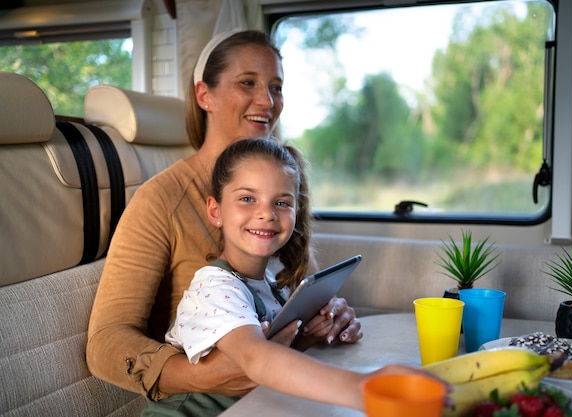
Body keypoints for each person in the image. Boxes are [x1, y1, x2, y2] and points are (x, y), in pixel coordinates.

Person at [86, 29, 362, 401]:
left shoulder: (279, 189)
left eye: (276, 87)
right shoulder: (159, 201)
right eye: (247, 83)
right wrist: (204, 376)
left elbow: (301, 291)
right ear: (205, 95)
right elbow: (105, 343)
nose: (266, 101)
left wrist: (326, 317)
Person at [142, 138, 440, 416]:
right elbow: (256, 358)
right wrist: (363, 387)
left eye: (282, 202)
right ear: (215, 210)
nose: (267, 213)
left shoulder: (273, 286)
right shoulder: (214, 288)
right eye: (247, 198)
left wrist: (309, 335)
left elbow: (272, 354)